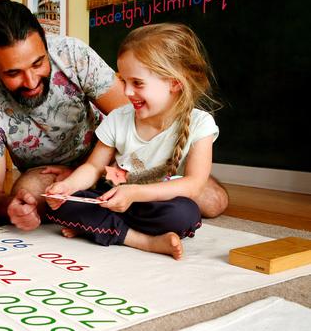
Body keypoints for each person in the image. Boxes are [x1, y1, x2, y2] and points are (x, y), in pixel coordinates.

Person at [0, 0, 228, 232]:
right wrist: (22, 204)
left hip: (120, 163)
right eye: (13, 73)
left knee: (212, 201)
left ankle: (107, 218)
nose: (31, 81)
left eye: (38, 63)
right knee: (30, 194)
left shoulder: (71, 54)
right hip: (54, 172)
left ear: (45, 42)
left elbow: (132, 118)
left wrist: (106, 174)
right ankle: (117, 222)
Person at [44, 23, 221, 260]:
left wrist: (135, 193)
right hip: (112, 199)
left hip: (153, 205)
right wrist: (68, 187)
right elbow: (94, 167)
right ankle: (143, 241)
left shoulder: (201, 124)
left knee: (185, 214)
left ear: (175, 83)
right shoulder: (119, 118)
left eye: (137, 83)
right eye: (123, 81)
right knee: (61, 203)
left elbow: (194, 185)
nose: (126, 92)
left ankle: (101, 228)